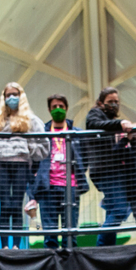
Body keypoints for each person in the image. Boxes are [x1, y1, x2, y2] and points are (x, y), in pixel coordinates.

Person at [0, 83, 48, 249]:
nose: (12, 98)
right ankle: (4, 245)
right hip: (1, 165)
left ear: (21, 96)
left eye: (15, 94)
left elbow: (44, 145)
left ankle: (16, 246)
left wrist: (27, 148)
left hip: (21, 165)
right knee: (5, 203)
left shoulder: (32, 120)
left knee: (17, 203)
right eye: (8, 95)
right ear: (4, 98)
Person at [85, 87, 136, 246]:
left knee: (113, 209)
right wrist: (120, 123)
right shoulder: (95, 114)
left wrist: (126, 139)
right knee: (119, 209)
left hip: (112, 170)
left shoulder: (108, 122)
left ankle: (107, 248)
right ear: (100, 103)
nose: (114, 105)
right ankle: (102, 246)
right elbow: (93, 123)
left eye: (116, 102)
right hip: (105, 171)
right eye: (110, 102)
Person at [33, 94, 88, 249]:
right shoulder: (41, 133)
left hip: (71, 187)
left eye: (61, 107)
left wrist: (79, 173)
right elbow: (34, 162)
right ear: (49, 110)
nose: (58, 110)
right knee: (49, 234)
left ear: (67, 108)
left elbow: (85, 158)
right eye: (54, 107)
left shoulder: (77, 133)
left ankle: (71, 264)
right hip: (47, 187)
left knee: (70, 233)